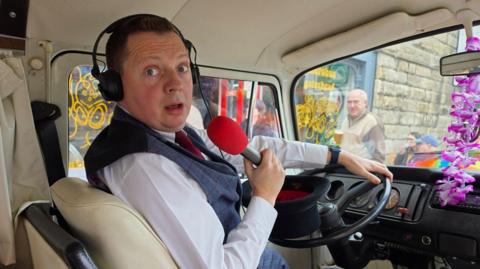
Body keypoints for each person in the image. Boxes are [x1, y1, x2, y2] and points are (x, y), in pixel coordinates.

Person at [84, 14, 393, 269]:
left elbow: (249, 149)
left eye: (181, 68)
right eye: (151, 71)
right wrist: (265, 197)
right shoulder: (146, 166)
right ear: (114, 86)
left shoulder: (166, 136)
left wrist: (335, 156)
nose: (175, 84)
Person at [339, 89, 386, 162]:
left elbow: (378, 156)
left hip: (359, 171)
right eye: (349, 102)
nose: (352, 105)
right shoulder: (346, 120)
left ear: (365, 103)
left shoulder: (372, 122)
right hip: (343, 168)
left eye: (356, 102)